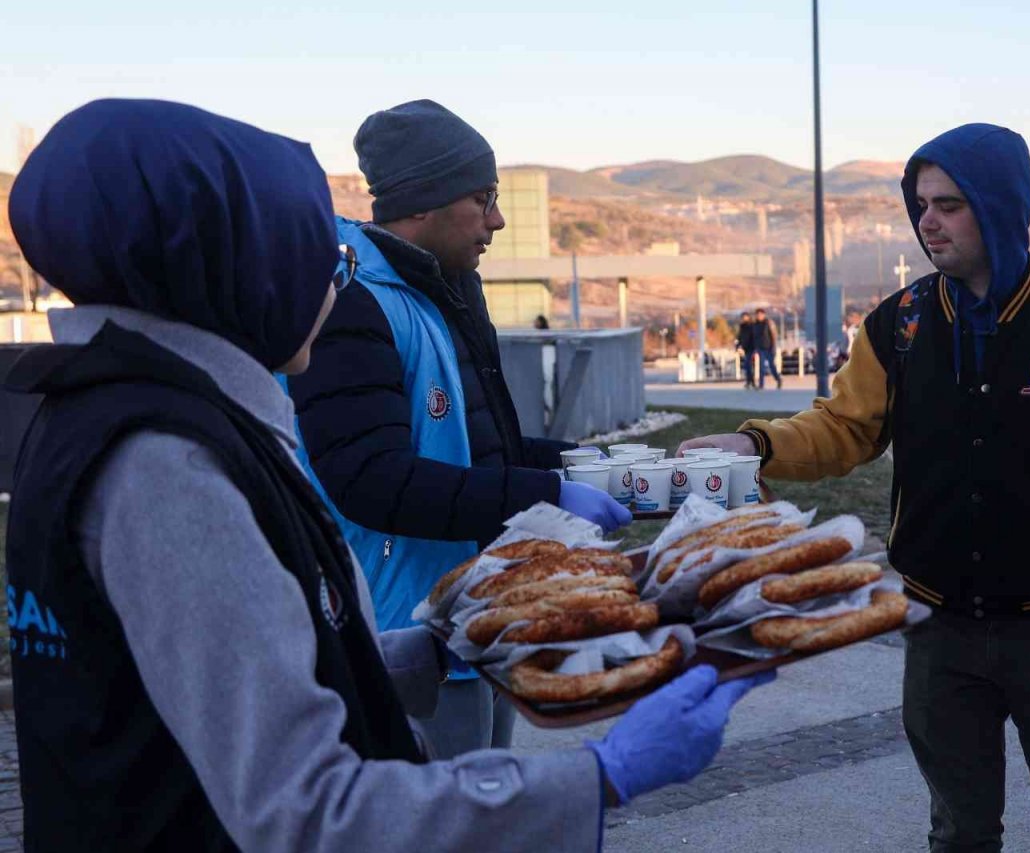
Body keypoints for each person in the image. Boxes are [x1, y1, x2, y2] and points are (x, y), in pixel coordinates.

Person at [4, 98, 768, 852]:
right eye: (318, 253)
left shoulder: (115, 415)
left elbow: (228, 671)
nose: (336, 284)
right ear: (235, 267)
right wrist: (604, 774)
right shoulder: (167, 467)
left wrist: (442, 648)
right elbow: (309, 812)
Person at [678, 123, 1030, 851]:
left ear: (1000, 205)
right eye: (920, 204)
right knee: (959, 830)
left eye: (949, 204)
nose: (927, 221)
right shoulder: (902, 324)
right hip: (937, 628)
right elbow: (844, 427)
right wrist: (754, 444)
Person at [282, 100, 629, 757]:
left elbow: (476, 447)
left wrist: (577, 465)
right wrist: (546, 493)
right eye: (482, 198)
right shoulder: (353, 303)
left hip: (481, 616)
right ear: (423, 201)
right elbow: (369, 480)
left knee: (484, 815)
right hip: (403, 632)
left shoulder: (449, 289)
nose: (496, 219)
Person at [752, 307, 783, 389]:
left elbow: (773, 335)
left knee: (772, 366)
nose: (758, 316)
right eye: (757, 315)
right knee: (761, 367)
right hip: (760, 348)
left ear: (764, 315)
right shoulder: (755, 325)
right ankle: (761, 385)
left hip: (769, 348)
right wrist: (755, 348)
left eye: (760, 314)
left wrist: (773, 347)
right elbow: (754, 337)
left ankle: (778, 379)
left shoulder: (769, 323)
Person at [736, 310, 756, 388]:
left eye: (745, 317)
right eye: (743, 317)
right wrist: (738, 345)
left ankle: (750, 382)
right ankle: (749, 381)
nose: (744, 318)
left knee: (748, 365)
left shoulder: (752, 325)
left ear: (748, 317)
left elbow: (754, 337)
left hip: (752, 347)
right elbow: (739, 337)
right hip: (745, 348)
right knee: (747, 366)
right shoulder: (742, 326)